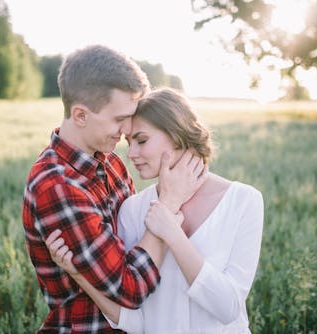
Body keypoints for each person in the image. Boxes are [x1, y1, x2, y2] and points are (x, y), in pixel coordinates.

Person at [47, 88, 265, 333]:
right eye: (129, 143)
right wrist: (78, 275)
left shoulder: (243, 201)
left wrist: (171, 232)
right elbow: (135, 320)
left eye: (142, 140)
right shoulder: (132, 209)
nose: (131, 154)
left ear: (177, 133)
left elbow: (228, 308)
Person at [22, 45, 207, 333]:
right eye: (119, 119)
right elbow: (130, 288)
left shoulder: (112, 164)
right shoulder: (58, 186)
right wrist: (168, 205)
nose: (127, 129)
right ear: (81, 115)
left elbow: (135, 245)